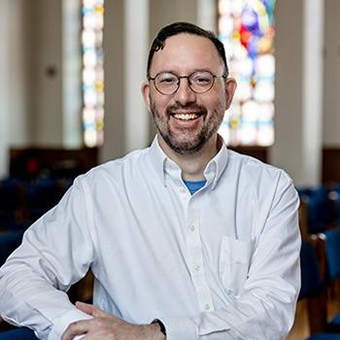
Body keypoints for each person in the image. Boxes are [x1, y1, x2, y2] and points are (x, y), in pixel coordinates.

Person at [0, 22, 301, 340]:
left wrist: (152, 334)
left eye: (201, 79)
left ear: (227, 93)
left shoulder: (271, 189)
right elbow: (17, 277)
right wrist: (77, 327)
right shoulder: (100, 190)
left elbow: (271, 309)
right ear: (149, 95)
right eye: (168, 80)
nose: (184, 96)